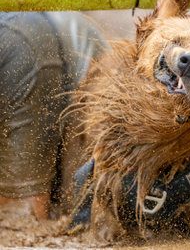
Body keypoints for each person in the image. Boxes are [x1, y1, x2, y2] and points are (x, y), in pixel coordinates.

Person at [0, 12, 110, 219]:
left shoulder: (18, 54)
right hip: (35, 64)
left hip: (80, 92)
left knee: (73, 210)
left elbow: (28, 207)